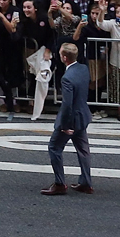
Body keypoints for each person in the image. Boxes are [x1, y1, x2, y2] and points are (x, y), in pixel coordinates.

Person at [42, 43, 93, 195]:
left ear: (64, 58)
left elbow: (67, 104)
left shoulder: (67, 78)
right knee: (83, 151)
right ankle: (86, 183)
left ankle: (59, 183)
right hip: (83, 116)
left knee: (54, 148)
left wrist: (65, 125)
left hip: (71, 119)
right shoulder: (83, 69)